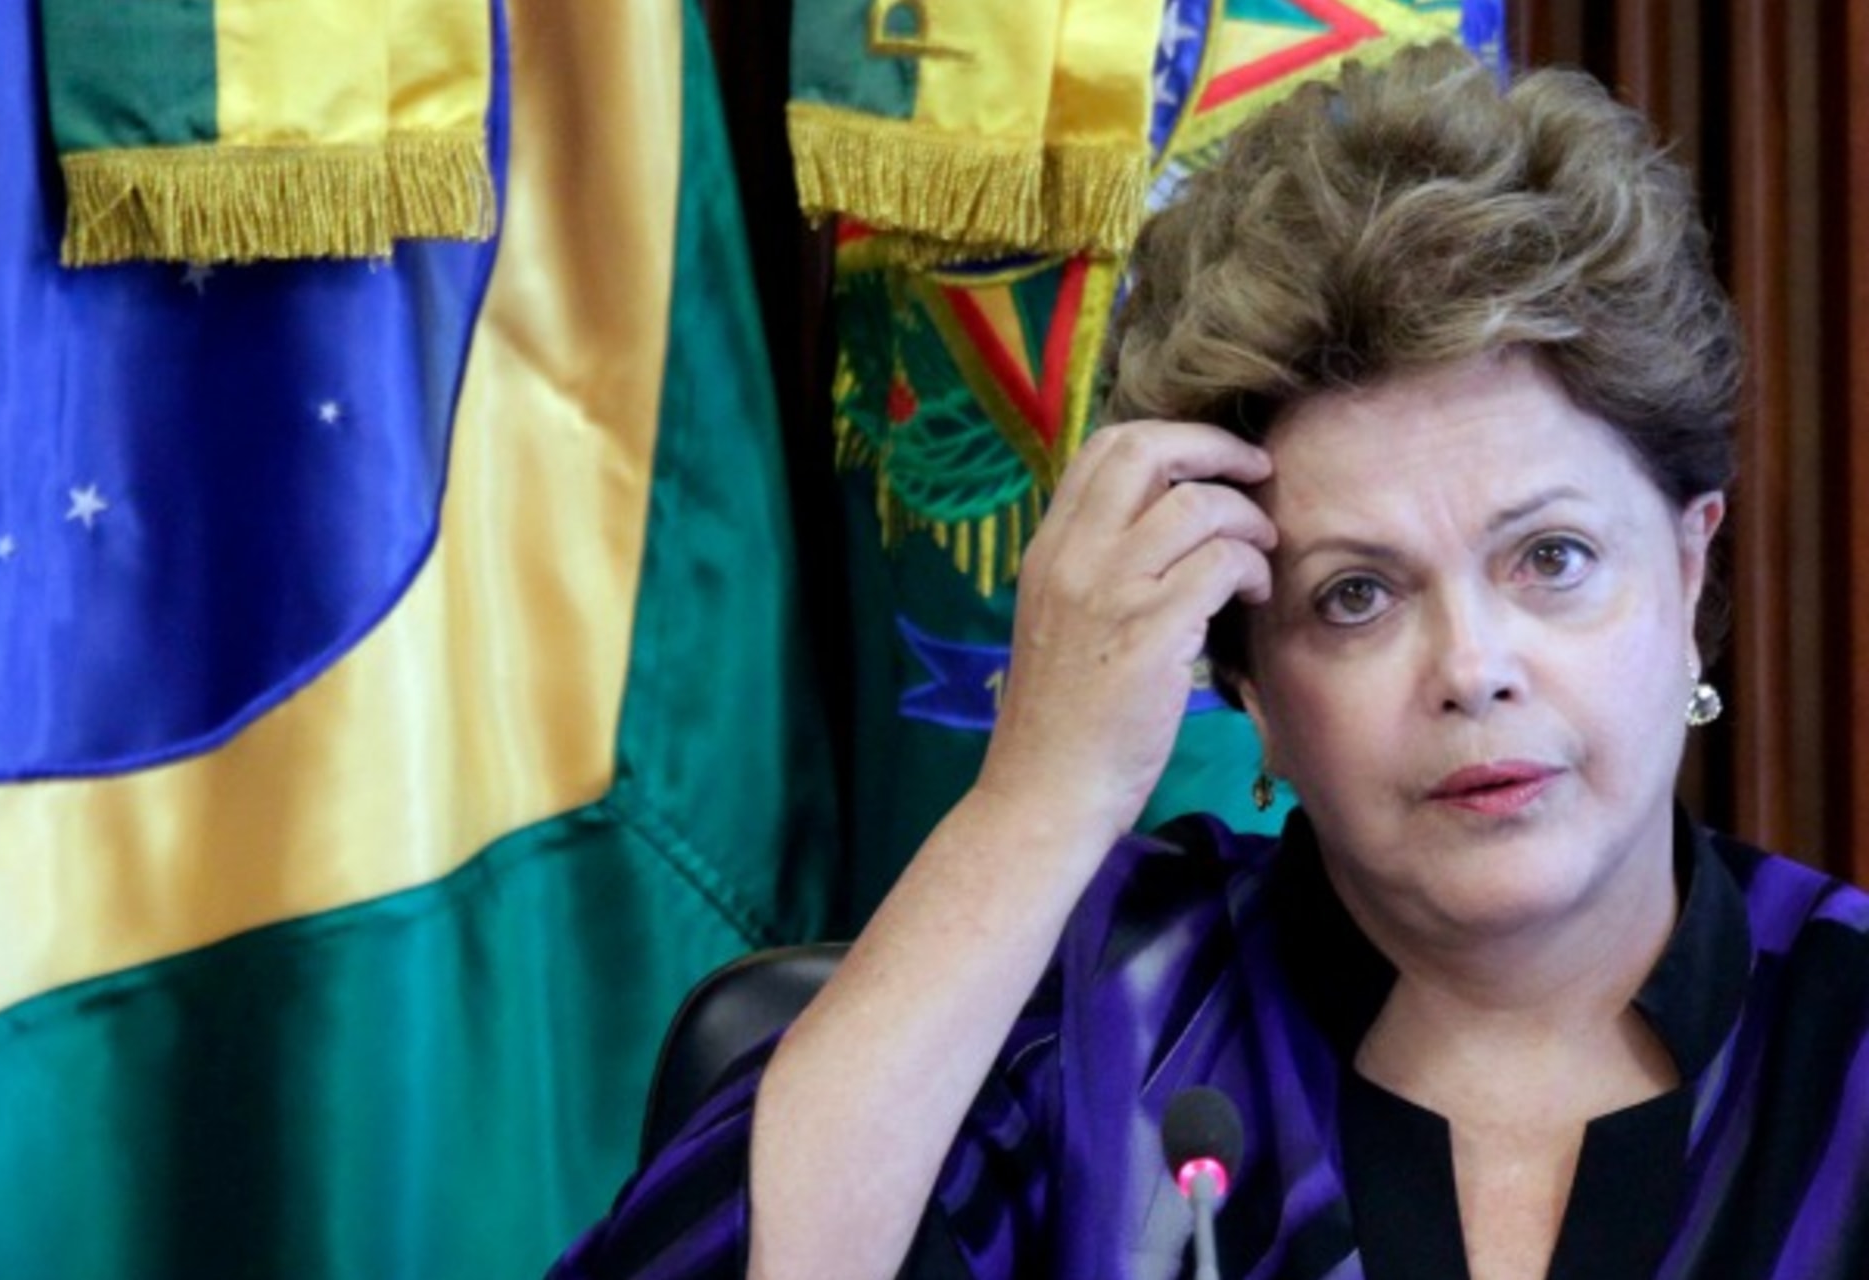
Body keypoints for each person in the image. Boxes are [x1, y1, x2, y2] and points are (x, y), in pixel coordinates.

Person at [552, 41, 1869, 1280]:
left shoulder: (1851, 1032)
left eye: (1553, 559)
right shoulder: (1100, 1023)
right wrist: (1039, 803)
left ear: (1689, 569)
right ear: (1247, 684)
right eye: (1355, 596)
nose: (1475, 667)